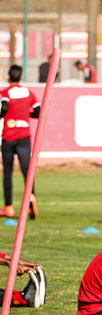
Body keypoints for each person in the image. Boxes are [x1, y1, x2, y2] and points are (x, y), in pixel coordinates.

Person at [0, 65, 41, 219]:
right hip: (24, 137)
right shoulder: (28, 93)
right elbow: (38, 111)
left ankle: (8, 207)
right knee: (27, 172)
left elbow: (3, 107)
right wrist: (25, 114)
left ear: (8, 77)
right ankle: (31, 199)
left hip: (8, 137)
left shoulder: (5, 93)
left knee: (8, 173)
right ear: (21, 77)